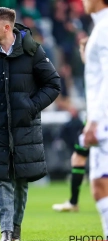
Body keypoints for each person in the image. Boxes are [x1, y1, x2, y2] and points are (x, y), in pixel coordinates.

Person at [0, 7, 60, 241]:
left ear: (6, 27)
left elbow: (53, 84)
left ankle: (15, 228)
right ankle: (5, 231)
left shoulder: (33, 51)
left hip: (24, 127)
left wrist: (30, 107)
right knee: (1, 179)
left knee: (20, 180)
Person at [80, 0, 108, 241]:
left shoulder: (104, 27)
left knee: (100, 184)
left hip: (105, 120)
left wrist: (95, 120)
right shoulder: (99, 27)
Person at [52, 37, 89, 212]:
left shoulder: (96, 70)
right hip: (95, 120)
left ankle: (74, 202)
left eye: (82, 50)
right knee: (78, 157)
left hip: (99, 121)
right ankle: (73, 202)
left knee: (79, 158)